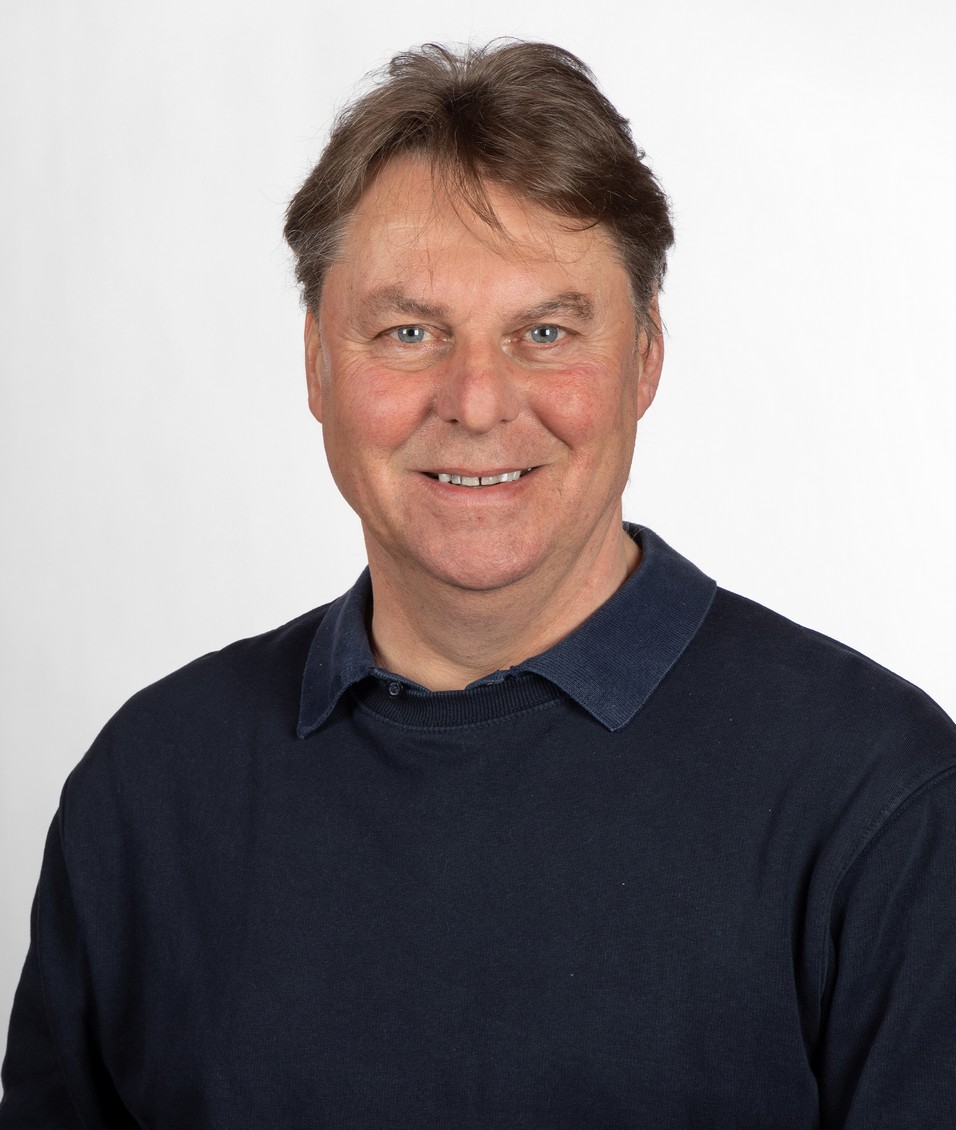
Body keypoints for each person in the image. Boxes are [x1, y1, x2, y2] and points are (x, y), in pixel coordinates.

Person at [1, 39, 954, 1129]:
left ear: (644, 358)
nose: (476, 400)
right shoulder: (149, 791)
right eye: (409, 332)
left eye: (544, 332)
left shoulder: (881, 804)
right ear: (317, 362)